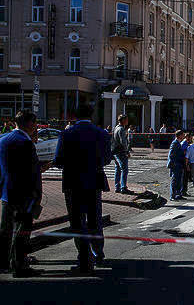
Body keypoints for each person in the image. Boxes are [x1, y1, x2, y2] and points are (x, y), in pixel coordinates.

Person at [54, 105, 112, 274]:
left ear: (74, 116)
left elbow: (58, 160)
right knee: (95, 219)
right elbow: (107, 158)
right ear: (91, 116)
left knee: (77, 221)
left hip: (73, 183)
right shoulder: (101, 133)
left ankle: (84, 256)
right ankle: (98, 252)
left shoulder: (66, 134)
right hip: (94, 181)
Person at [0, 111, 45, 277]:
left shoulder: (3, 139)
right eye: (35, 124)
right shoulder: (26, 143)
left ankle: (4, 261)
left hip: (6, 192)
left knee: (5, 229)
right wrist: (37, 196)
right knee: (22, 231)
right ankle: (19, 265)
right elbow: (33, 174)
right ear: (30, 124)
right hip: (24, 195)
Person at [111, 114, 132, 194]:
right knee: (124, 169)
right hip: (120, 151)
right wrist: (127, 151)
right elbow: (123, 141)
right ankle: (123, 187)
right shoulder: (122, 129)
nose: (127, 121)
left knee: (118, 169)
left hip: (115, 151)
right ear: (123, 120)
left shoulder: (116, 128)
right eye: (126, 119)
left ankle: (117, 186)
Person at [166, 130, 186, 201]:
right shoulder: (175, 143)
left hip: (179, 164)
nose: (184, 136)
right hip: (176, 164)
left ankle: (178, 194)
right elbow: (172, 154)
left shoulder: (178, 143)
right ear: (180, 135)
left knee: (179, 180)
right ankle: (172, 195)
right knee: (174, 180)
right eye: (183, 135)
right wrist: (173, 163)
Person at [180, 132, 193, 197]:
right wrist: (187, 165)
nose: (191, 139)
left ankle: (183, 191)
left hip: (185, 163)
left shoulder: (185, 143)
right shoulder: (184, 144)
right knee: (184, 178)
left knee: (185, 178)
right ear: (187, 137)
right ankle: (183, 191)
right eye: (191, 137)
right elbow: (185, 155)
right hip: (184, 163)